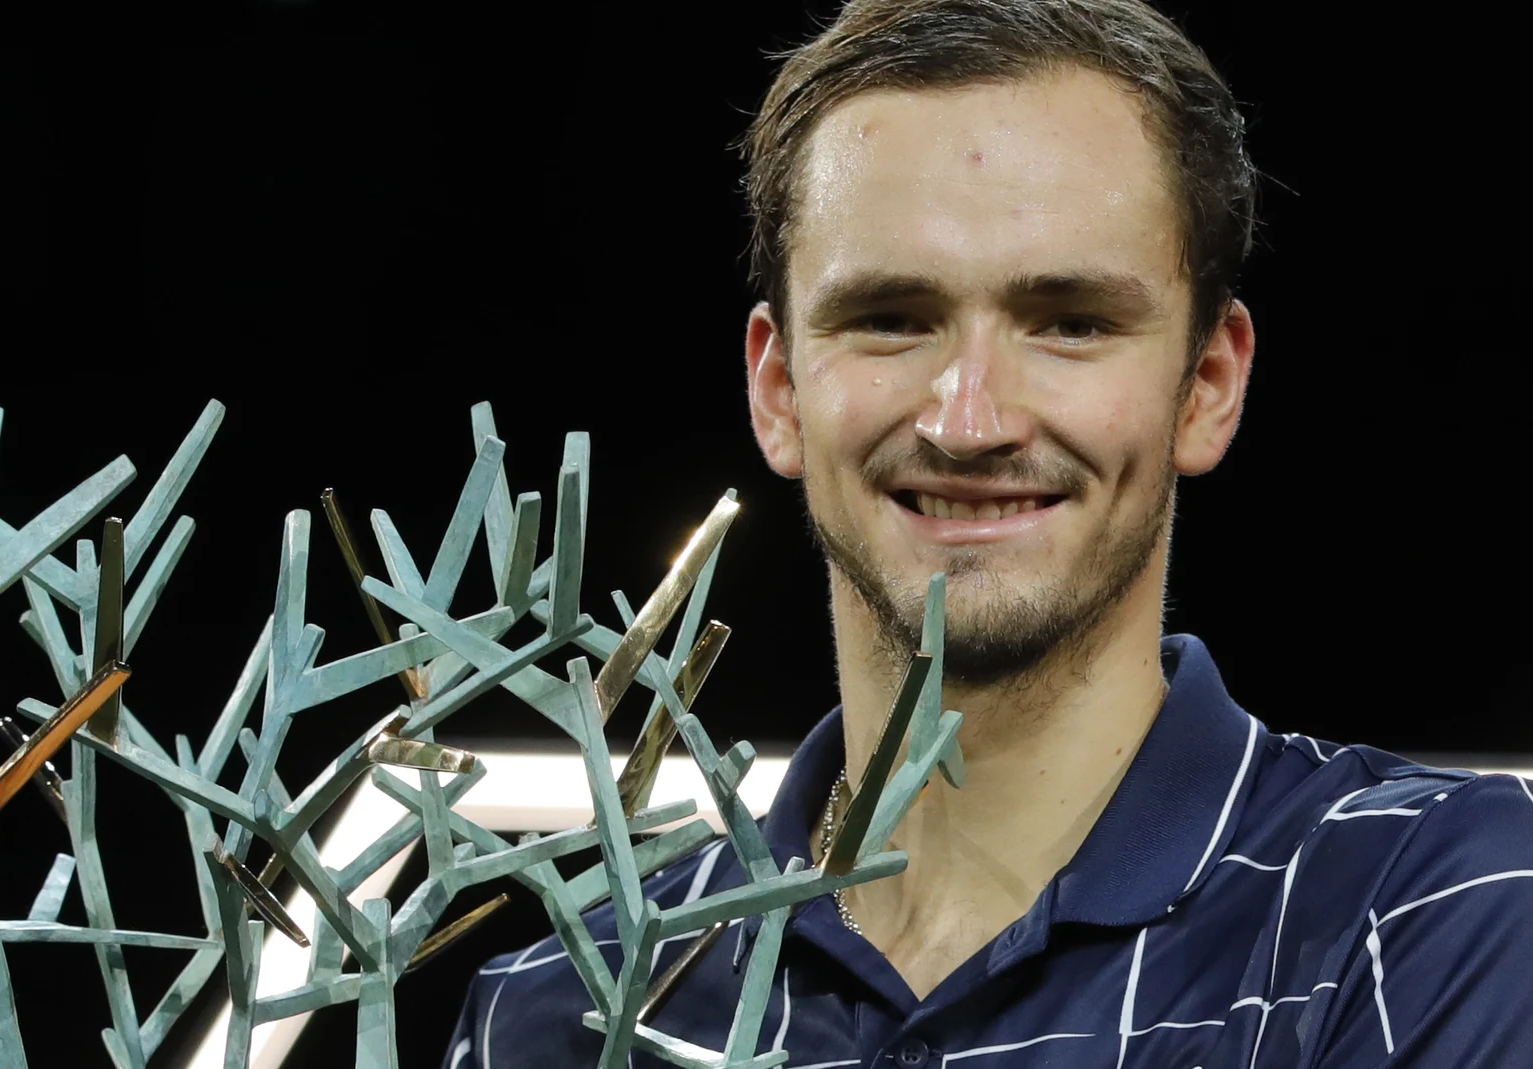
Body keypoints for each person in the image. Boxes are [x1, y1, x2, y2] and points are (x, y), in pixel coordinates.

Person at [443, 1, 1532, 1066]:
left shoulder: (1427, 908)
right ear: (776, 389)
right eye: (890, 319)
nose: (969, 421)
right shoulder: (557, 1010)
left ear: (1205, 383)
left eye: (1070, 323)